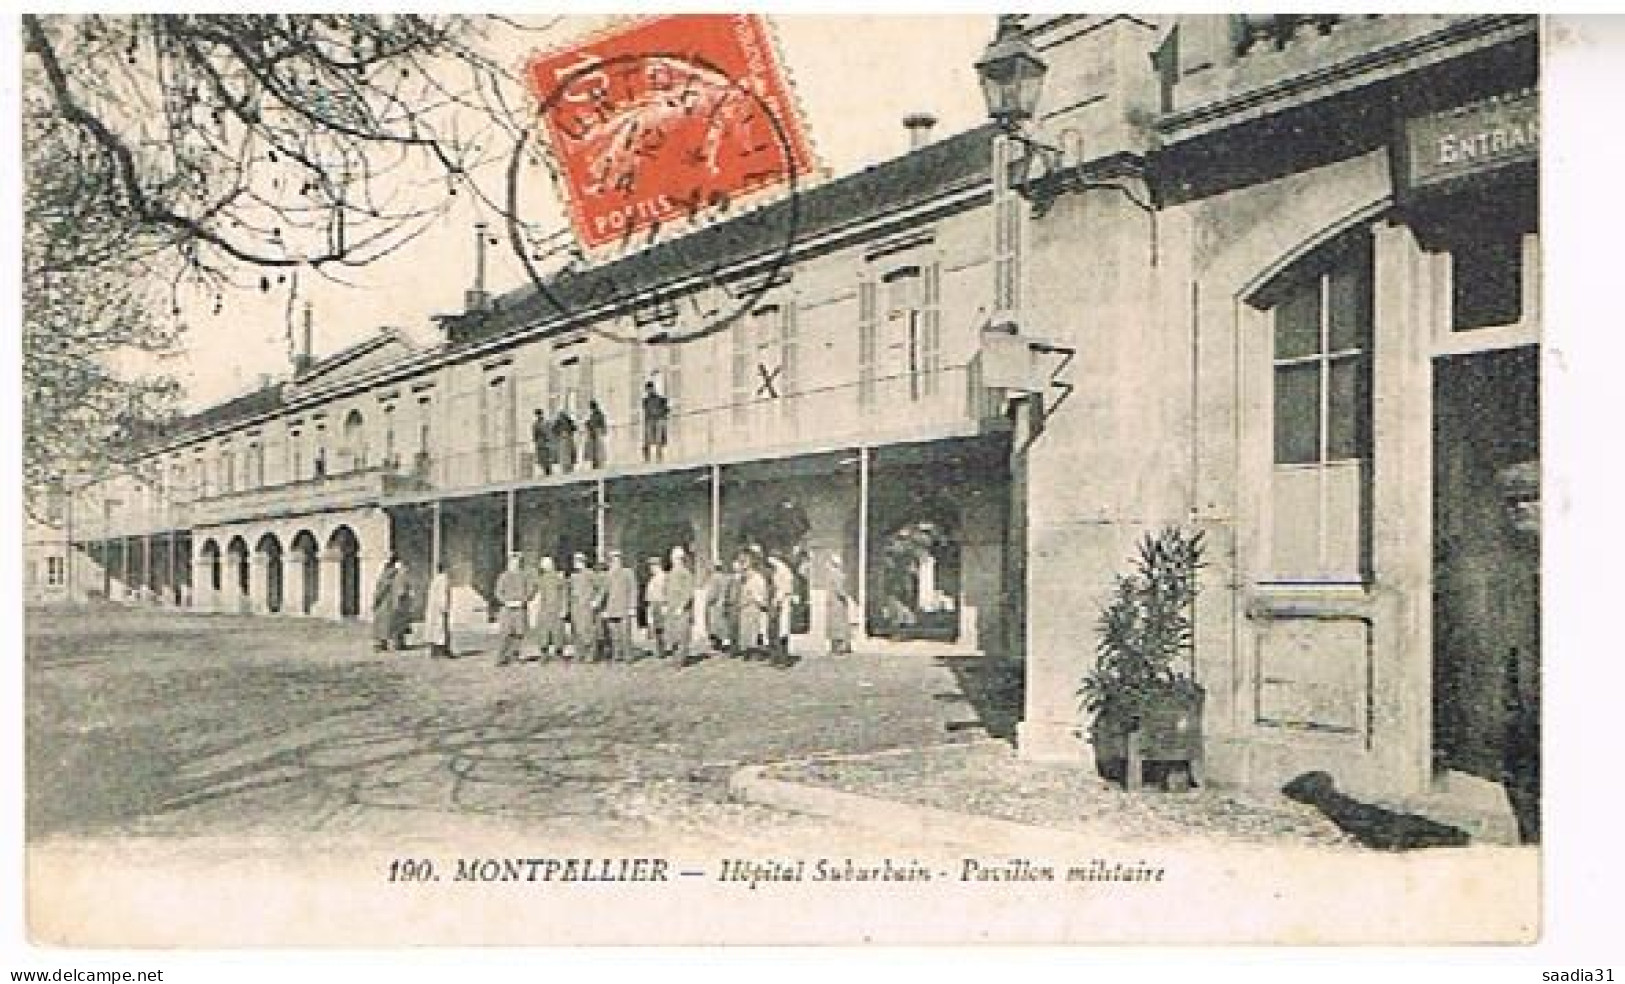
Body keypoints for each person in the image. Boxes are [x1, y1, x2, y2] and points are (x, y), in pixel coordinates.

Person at [493, 552, 536, 666]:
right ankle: (501, 658)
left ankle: (515, 656)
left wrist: (523, 600)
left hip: (520, 608)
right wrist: (506, 602)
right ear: (509, 563)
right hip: (507, 609)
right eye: (513, 562)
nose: (515, 564)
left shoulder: (524, 576)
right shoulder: (503, 576)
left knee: (519, 633)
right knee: (505, 633)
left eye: (517, 562)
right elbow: (498, 592)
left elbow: (531, 590)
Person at [601, 550, 638, 663]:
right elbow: (604, 591)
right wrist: (597, 603)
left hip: (624, 608)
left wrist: (632, 607)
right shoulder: (609, 574)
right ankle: (617, 656)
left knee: (625, 634)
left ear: (620, 559)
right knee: (614, 635)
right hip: (611, 609)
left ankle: (628, 657)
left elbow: (633, 590)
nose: (614, 561)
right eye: (612, 559)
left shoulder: (628, 573)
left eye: (616, 558)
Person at [531, 554, 568, 662]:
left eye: (547, 564)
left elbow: (564, 594)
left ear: (552, 565)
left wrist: (564, 609)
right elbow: (535, 592)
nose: (545, 566)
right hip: (544, 609)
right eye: (543, 564)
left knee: (558, 632)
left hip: (556, 608)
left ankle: (559, 653)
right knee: (543, 631)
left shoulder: (559, 578)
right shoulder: (541, 579)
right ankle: (544, 653)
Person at [663, 545, 695, 666]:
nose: (673, 560)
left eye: (676, 558)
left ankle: (681, 660)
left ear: (680, 559)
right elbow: (666, 590)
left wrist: (682, 606)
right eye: (673, 557)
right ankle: (675, 658)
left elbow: (689, 592)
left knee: (682, 634)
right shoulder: (670, 574)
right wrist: (665, 604)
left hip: (681, 610)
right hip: (671, 608)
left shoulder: (686, 573)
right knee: (672, 634)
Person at [567, 552, 601, 661]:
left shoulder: (590, 574)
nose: (575, 563)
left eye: (577, 561)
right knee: (577, 630)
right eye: (574, 561)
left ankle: (590, 654)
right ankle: (579, 653)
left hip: (586, 606)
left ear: (582, 562)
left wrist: (596, 601)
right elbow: (569, 590)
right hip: (575, 607)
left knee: (588, 630)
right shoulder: (573, 576)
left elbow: (601, 588)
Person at [737, 552, 770, 659]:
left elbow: (761, 595)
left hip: (753, 607)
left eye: (744, 563)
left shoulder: (757, 579)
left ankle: (753, 650)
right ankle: (746, 650)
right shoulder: (742, 578)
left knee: (753, 629)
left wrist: (754, 598)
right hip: (743, 607)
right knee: (744, 630)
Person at [370, 556, 406, 652]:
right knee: (393, 625)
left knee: (383, 625)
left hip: (385, 604)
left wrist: (375, 601)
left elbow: (380, 590)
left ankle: (381, 644)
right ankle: (394, 644)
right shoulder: (399, 574)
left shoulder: (386, 575)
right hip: (392, 603)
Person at [767, 552, 796, 664]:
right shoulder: (779, 570)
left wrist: (777, 600)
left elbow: (784, 589)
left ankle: (782, 658)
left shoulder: (783, 571)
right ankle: (777, 657)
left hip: (782, 603)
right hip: (779, 602)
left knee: (781, 631)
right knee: (776, 631)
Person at [825, 552, 853, 656]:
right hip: (837, 603)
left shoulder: (830, 574)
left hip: (832, 602)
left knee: (834, 624)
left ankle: (835, 647)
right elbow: (840, 590)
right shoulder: (837, 574)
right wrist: (845, 597)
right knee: (839, 624)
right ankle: (839, 647)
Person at [424, 562, 453, 659]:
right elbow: (443, 594)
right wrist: (445, 607)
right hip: (440, 608)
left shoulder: (435, 579)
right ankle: (443, 651)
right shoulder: (444, 579)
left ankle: (434, 651)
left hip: (433, 608)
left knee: (434, 629)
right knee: (441, 630)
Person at [641, 380, 670, 463]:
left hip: (658, 420)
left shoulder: (660, 399)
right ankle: (647, 459)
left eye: (650, 388)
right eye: (648, 389)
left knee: (658, 441)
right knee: (647, 441)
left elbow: (667, 409)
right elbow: (646, 411)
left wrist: (662, 416)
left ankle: (659, 458)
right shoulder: (645, 401)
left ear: (653, 388)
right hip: (650, 421)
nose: (649, 391)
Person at [644, 557, 667, 657]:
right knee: (657, 628)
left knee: (662, 628)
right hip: (654, 604)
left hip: (661, 604)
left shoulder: (664, 577)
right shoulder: (652, 579)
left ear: (657, 566)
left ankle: (664, 649)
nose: (651, 569)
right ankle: (660, 650)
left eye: (652, 566)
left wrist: (665, 605)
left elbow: (666, 593)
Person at [553, 406, 578, 474]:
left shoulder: (569, 420)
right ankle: (567, 470)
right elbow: (554, 430)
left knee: (570, 456)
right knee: (566, 457)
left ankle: (569, 469)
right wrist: (561, 433)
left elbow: (574, 428)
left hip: (569, 439)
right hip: (564, 439)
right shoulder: (558, 422)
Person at [585, 399, 608, 469]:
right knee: (593, 451)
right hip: (593, 434)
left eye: (591, 407)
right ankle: (595, 463)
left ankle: (598, 463)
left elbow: (602, 425)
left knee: (598, 450)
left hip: (597, 433)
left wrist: (601, 430)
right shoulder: (593, 415)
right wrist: (588, 424)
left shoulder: (598, 414)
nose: (591, 409)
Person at [531, 409, 554, 476]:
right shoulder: (537, 424)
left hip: (544, 442)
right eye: (538, 415)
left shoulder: (544, 423)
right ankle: (547, 471)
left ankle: (548, 471)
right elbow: (535, 435)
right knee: (543, 458)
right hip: (542, 442)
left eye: (539, 414)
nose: (539, 416)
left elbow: (535, 435)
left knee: (546, 458)